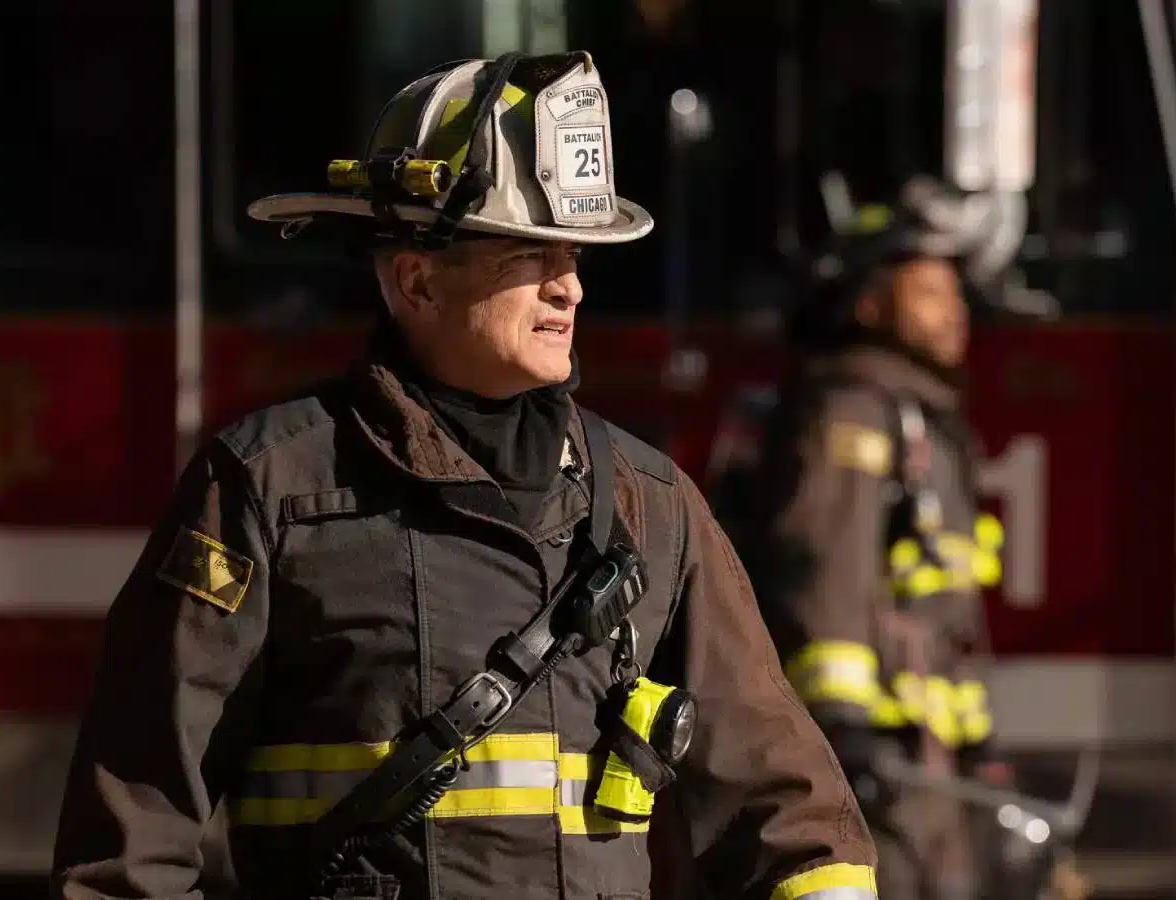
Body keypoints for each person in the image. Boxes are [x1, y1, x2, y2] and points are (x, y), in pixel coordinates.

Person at [52, 51, 877, 900]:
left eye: (576, 255)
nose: (569, 289)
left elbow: (784, 802)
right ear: (418, 281)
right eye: (530, 256)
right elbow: (133, 834)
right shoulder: (270, 490)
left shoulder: (649, 503)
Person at [739, 180, 1014, 900]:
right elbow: (825, 570)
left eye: (954, 294)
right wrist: (842, 725)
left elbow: (939, 611)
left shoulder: (923, 418)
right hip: (875, 762)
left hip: (927, 763)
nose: (953, 312)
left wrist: (976, 739)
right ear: (869, 306)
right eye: (928, 293)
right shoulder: (851, 411)